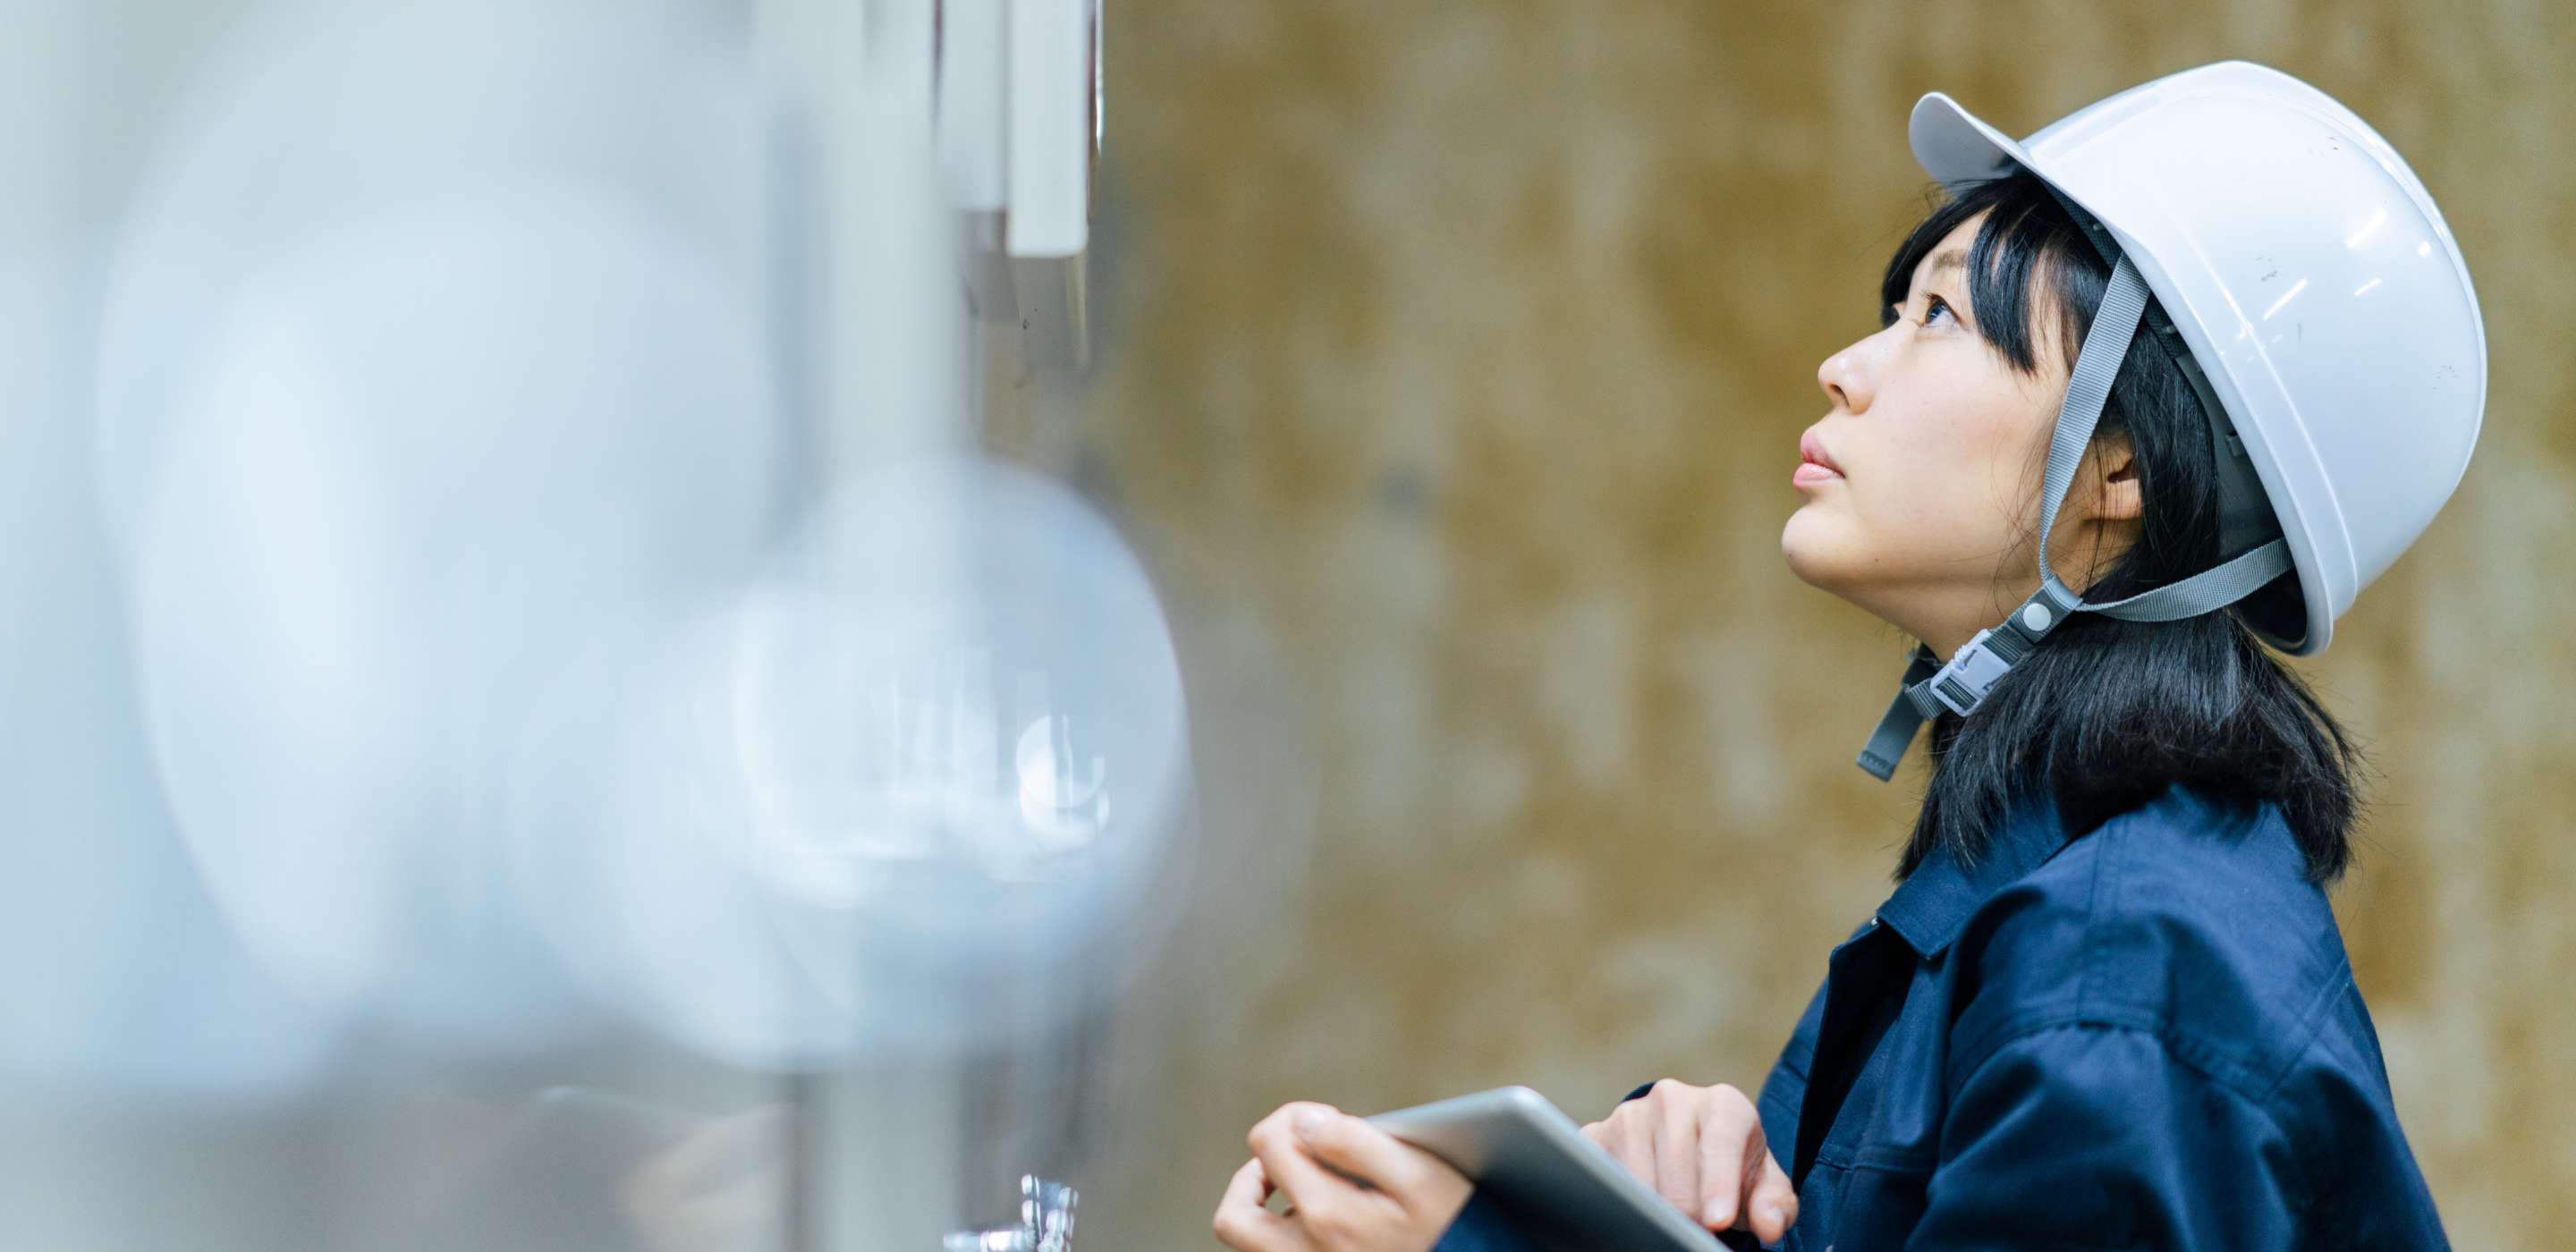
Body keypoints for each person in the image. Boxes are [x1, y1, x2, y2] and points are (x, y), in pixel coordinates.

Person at [1209, 60, 2481, 1251]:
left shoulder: (2122, 977)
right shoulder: (2056, 885)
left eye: (1940, 316)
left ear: (2123, 468)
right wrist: (1662, 1209)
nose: (1843, 368)